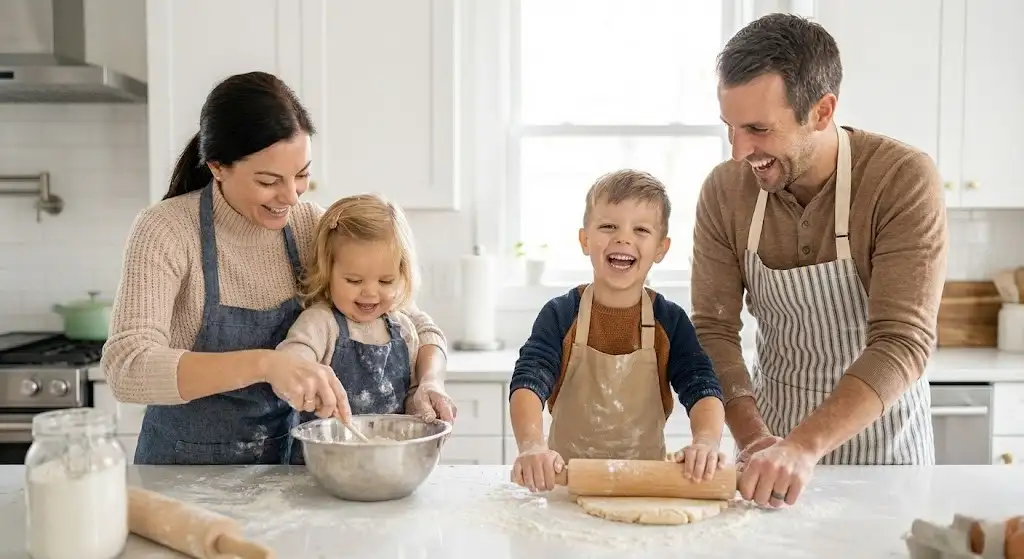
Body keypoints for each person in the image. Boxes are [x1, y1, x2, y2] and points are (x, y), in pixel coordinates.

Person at [101, 71, 452, 466]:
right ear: (218, 166)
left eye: (301, 175)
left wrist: (428, 382)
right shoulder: (166, 230)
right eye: (269, 181)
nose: (289, 197)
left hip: (281, 474)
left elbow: (415, 322)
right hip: (183, 475)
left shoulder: (308, 226)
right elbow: (126, 367)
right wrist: (266, 364)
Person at [690, 13, 946, 507]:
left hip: (886, 460)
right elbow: (713, 331)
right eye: (731, 128)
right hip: (769, 463)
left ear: (823, 111)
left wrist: (804, 446)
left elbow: (903, 339)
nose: (741, 151)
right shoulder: (726, 192)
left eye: (759, 129)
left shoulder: (900, 179)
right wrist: (756, 440)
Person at [508, 169, 726, 492]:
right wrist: (531, 445)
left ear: (661, 249)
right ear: (585, 240)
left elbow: (702, 386)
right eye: (608, 226)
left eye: (641, 229)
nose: (623, 238)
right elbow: (529, 381)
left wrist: (706, 442)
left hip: (643, 488)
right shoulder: (560, 315)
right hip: (566, 485)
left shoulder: (671, 321)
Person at [276, 193, 455, 464]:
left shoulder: (403, 328)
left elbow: (411, 396)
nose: (370, 293)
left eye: (386, 281)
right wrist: (302, 369)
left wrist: (425, 415)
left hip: (388, 465)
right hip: (323, 466)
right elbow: (292, 357)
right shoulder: (321, 323)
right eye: (354, 280)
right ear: (327, 272)